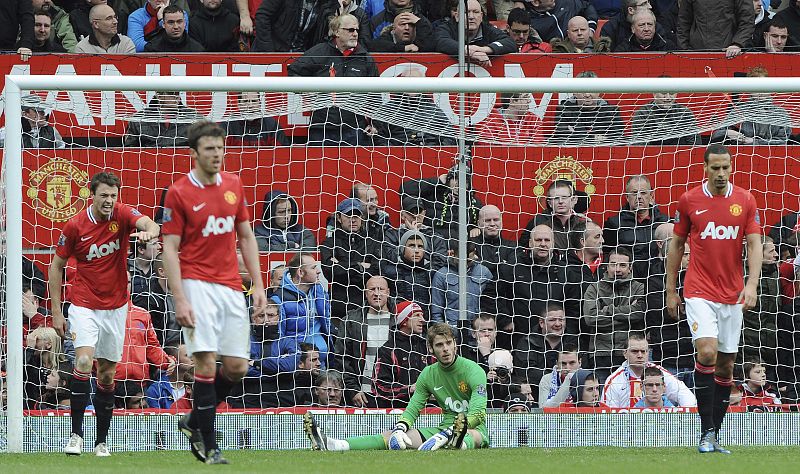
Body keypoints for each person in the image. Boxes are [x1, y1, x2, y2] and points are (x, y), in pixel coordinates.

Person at [161, 120, 266, 464]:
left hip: (230, 286)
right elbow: (170, 247)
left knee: (237, 367)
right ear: (194, 154)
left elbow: (246, 236)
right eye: (210, 149)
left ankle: (194, 418)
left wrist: (259, 282)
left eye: (221, 148)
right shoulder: (178, 193)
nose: (218, 154)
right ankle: (210, 445)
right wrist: (180, 297)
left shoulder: (234, 185)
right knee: (205, 361)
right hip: (195, 283)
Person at [49, 171, 160, 456]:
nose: (109, 201)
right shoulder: (75, 226)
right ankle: (75, 436)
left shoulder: (122, 215)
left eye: (113, 195)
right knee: (84, 360)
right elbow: (56, 266)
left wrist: (150, 230)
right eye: (104, 195)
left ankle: (101, 441)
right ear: (92, 195)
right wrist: (57, 312)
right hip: (84, 304)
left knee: (108, 375)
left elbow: (147, 222)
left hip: (116, 307)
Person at [666, 143, 763, 454]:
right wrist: (671, 289)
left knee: (725, 367)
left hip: (732, 293)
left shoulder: (745, 200)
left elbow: (755, 244)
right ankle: (706, 429)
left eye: (726, 167)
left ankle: (713, 434)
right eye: (715, 168)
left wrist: (751, 285)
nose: (721, 173)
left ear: (731, 167)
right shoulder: (690, 200)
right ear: (705, 168)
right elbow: (677, 246)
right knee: (706, 352)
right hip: (699, 289)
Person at [305, 322, 489, 451]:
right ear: (431, 349)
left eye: (449, 343)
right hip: (441, 431)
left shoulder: (474, 371)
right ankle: (333, 444)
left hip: (473, 430)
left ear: (455, 344)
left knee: (469, 436)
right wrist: (400, 427)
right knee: (391, 437)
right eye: (440, 345)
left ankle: (457, 443)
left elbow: (478, 413)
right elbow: (414, 408)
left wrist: (450, 433)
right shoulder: (428, 374)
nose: (446, 349)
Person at [287, 14, 379, 146]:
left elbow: (376, 94)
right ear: (337, 32)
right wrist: (306, 90)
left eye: (357, 30)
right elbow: (293, 72)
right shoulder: (319, 52)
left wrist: (375, 124)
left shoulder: (365, 59)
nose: (355, 34)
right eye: (350, 30)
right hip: (321, 128)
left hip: (354, 128)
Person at [583, 247, 646, 378]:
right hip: (601, 354)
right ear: (606, 267)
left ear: (630, 268)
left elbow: (639, 314)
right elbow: (590, 319)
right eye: (613, 264)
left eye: (623, 265)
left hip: (631, 355)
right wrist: (627, 316)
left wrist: (608, 310)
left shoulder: (639, 288)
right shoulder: (594, 288)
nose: (617, 269)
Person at [334, 275, 393, 407]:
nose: (376, 293)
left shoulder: (399, 319)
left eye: (381, 289)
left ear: (388, 292)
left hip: (394, 394)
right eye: (372, 289)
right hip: (364, 394)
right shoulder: (351, 320)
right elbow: (342, 359)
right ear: (366, 293)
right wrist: (353, 390)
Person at [321, 198, 384, 318]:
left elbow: (376, 272)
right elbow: (330, 272)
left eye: (357, 215)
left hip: (367, 309)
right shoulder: (329, 243)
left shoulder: (373, 243)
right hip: (338, 311)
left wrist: (341, 264)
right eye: (349, 215)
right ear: (339, 218)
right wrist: (360, 265)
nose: (353, 219)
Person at [601, 332, 696, 408]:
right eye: (634, 351)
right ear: (625, 354)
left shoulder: (659, 373)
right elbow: (607, 415)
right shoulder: (614, 381)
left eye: (643, 351)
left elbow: (685, 395)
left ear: (648, 353)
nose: (639, 355)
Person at [273, 253, 333, 370]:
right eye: (313, 268)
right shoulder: (280, 299)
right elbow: (279, 337)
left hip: (322, 364)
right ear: (300, 273)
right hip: (297, 366)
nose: (318, 271)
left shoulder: (319, 292)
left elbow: (326, 325)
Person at [602, 175, 670, 279]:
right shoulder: (614, 224)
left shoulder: (665, 222)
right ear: (627, 197)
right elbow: (606, 255)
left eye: (643, 193)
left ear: (651, 196)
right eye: (634, 193)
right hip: (627, 282)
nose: (639, 196)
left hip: (659, 280)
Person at [371, 70, 456, 147]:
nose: (412, 85)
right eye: (408, 81)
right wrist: (394, 151)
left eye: (416, 81)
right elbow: (379, 139)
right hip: (397, 158)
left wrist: (435, 151)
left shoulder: (434, 111)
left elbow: (450, 138)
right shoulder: (387, 110)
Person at [711, 67, 791, 146]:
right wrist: (727, 133)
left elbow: (783, 140)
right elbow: (716, 135)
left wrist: (753, 141)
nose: (761, 90)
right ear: (749, 89)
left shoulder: (781, 113)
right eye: (756, 86)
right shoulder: (738, 111)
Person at [512, 303, 577, 402]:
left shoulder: (575, 342)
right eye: (552, 320)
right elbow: (526, 372)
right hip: (534, 398)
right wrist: (558, 379)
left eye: (561, 320)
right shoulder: (527, 342)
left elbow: (581, 370)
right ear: (541, 323)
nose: (558, 324)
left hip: (571, 397)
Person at [373, 301, 429, 408]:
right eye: (417, 315)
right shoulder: (387, 350)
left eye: (422, 315)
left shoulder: (427, 346)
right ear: (404, 321)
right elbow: (379, 386)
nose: (423, 320)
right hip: (397, 411)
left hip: (428, 411)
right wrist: (409, 389)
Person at [741, 236, 781, 383]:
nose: (776, 254)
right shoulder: (741, 276)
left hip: (771, 347)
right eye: (771, 251)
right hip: (747, 347)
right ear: (757, 253)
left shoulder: (775, 274)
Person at [431, 239, 493, 329]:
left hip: (480, 330)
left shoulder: (484, 272)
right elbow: (436, 312)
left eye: (468, 261)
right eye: (462, 260)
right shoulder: (442, 275)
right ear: (452, 254)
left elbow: (492, 304)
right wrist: (444, 334)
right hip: (452, 332)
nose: (466, 265)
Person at [550, 71, 625, 145]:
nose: (587, 94)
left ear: (599, 91)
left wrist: (576, 134)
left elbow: (618, 138)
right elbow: (562, 136)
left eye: (591, 90)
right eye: (583, 90)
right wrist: (595, 137)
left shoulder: (611, 111)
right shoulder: (564, 109)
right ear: (574, 92)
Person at [434, 0, 515, 66]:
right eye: (466, 12)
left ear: (481, 16)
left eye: (476, 12)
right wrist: (468, 51)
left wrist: (482, 49)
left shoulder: (487, 29)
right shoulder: (446, 27)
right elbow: (441, 42)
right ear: (457, 16)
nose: (471, 16)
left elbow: (510, 43)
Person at [123, 91, 204, 148]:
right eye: (171, 93)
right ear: (159, 96)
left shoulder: (194, 119)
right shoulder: (139, 120)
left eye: (177, 93)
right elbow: (130, 151)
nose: (176, 97)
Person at [630, 82, 701, 146]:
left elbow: (695, 144)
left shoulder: (684, 113)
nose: (668, 97)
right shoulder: (643, 113)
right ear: (654, 94)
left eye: (671, 93)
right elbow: (639, 146)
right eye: (663, 93)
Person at [677, 0, 754, 57]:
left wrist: (737, 44)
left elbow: (747, 20)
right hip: (696, 53)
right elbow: (684, 21)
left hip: (730, 53)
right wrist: (685, 50)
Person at [383, 229, 433, 317]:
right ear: (403, 248)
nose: (416, 250)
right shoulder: (390, 272)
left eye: (420, 246)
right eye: (412, 246)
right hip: (399, 322)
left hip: (424, 322)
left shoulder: (431, 272)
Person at [223, 92, 290, 147]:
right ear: (239, 104)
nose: (250, 105)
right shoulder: (227, 125)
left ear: (260, 104)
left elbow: (283, 152)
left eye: (254, 101)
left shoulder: (272, 125)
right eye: (245, 101)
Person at [0, 94, 65, 149]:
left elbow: (62, 151)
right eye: (37, 111)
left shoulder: (52, 130)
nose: (42, 113)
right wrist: (18, 130)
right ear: (25, 114)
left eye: (42, 110)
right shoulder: (8, 131)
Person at [477, 93, 544, 145]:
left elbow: (539, 149)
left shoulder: (533, 120)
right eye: (525, 97)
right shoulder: (491, 123)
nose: (529, 101)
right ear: (512, 101)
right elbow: (485, 153)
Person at [473, 205, 517, 280]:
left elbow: (511, 272)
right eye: (487, 220)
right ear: (479, 224)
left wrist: (481, 263)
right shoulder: (470, 244)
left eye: (496, 220)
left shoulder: (513, 247)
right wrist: (501, 262)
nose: (492, 224)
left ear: (501, 223)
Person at [525, 0, 599, 43]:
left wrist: (591, 28)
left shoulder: (566, 3)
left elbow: (586, 6)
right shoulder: (530, 23)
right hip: (554, 55)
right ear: (535, 2)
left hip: (579, 48)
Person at [368, 9, 436, 52]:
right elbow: (374, 45)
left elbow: (430, 45)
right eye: (402, 24)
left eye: (411, 25)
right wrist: (404, 48)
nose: (407, 28)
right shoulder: (384, 39)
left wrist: (419, 22)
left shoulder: (420, 37)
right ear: (393, 29)